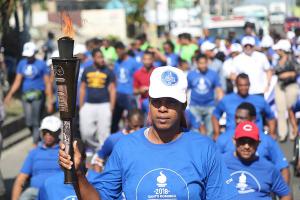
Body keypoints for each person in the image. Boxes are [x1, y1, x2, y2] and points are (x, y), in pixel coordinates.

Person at [59, 66, 238, 199]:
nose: (162, 108)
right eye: (157, 101)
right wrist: (79, 174)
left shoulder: (204, 148)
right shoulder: (126, 147)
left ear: (183, 105)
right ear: (148, 103)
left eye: (171, 102)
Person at [216, 102, 290, 184]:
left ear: (253, 119)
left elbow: (283, 167)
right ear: (234, 140)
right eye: (236, 117)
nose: (238, 121)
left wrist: (283, 192)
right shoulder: (223, 139)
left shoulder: (267, 140)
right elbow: (213, 166)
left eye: (242, 118)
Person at [223, 121, 291, 200]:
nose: (246, 146)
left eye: (251, 142)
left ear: (258, 143)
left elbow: (286, 195)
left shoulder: (268, 168)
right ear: (234, 140)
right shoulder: (220, 163)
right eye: (242, 141)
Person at [4, 42, 53, 145]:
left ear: (34, 53)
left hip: (38, 95)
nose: (28, 57)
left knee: (36, 120)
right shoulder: (22, 63)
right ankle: (36, 136)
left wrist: (50, 100)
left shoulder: (41, 64)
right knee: (28, 121)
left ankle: (35, 142)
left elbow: (47, 83)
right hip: (26, 95)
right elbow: (18, 80)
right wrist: (10, 94)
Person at [212, 73, 276, 139]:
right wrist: (216, 133)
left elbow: (271, 117)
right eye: (241, 85)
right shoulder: (226, 100)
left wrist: (272, 133)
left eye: (246, 85)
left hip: (256, 137)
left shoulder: (259, 100)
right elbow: (215, 116)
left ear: (249, 85)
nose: (243, 88)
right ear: (236, 85)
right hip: (232, 137)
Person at [11, 115, 62, 200]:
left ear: (59, 132)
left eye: (51, 132)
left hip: (57, 191)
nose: (48, 135)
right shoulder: (34, 152)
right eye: (45, 132)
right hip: (35, 192)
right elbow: (21, 179)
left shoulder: (65, 151)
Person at [79, 49, 116, 151]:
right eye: (99, 57)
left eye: (102, 57)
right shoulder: (87, 70)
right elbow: (82, 88)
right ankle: (95, 148)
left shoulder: (108, 71)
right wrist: (81, 106)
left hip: (104, 105)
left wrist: (111, 107)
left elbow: (112, 89)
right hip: (89, 105)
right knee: (85, 133)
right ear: (93, 58)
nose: (101, 59)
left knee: (104, 133)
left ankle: (102, 154)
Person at [187, 54, 223, 136]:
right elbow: (186, 89)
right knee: (195, 130)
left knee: (210, 130)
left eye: (205, 63)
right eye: (201, 63)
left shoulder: (213, 74)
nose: (203, 65)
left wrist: (220, 103)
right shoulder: (191, 74)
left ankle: (208, 147)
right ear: (196, 63)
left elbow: (218, 89)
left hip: (210, 106)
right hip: (194, 105)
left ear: (208, 63)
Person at [111, 41, 140, 133]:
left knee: (133, 117)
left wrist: (136, 90)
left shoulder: (133, 62)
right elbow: (115, 77)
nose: (118, 53)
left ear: (124, 50)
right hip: (118, 94)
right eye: (116, 51)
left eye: (120, 50)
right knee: (115, 120)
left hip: (129, 94)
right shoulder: (117, 62)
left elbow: (138, 76)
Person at [273, 39, 299, 142]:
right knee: (280, 109)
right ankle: (282, 133)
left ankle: (293, 132)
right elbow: (276, 70)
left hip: (291, 85)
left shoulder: (292, 59)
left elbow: (297, 70)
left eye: (279, 49)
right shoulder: (277, 59)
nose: (277, 51)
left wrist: (289, 74)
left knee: (291, 109)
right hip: (280, 85)